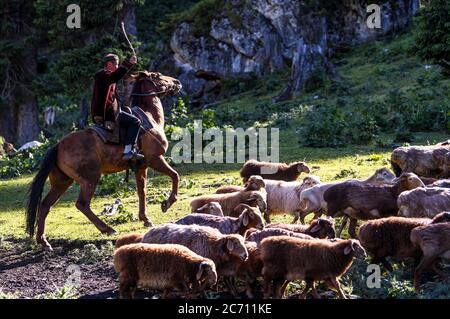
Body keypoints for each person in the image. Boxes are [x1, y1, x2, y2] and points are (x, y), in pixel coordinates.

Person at [90, 53, 144, 161]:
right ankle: (128, 151)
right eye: (116, 64)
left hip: (111, 110)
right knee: (136, 122)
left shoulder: (106, 76)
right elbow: (115, 76)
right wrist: (129, 63)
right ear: (109, 64)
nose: (117, 67)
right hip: (107, 113)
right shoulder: (103, 75)